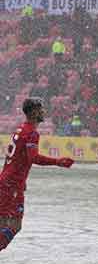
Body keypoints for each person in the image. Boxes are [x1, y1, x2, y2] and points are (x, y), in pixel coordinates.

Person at [1, 98, 74, 254]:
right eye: (41, 109)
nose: (43, 112)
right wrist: (58, 161)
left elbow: (14, 159)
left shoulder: (21, 129)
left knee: (10, 224)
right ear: (33, 112)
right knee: (9, 224)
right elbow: (33, 158)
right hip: (11, 185)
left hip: (10, 182)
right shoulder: (31, 133)